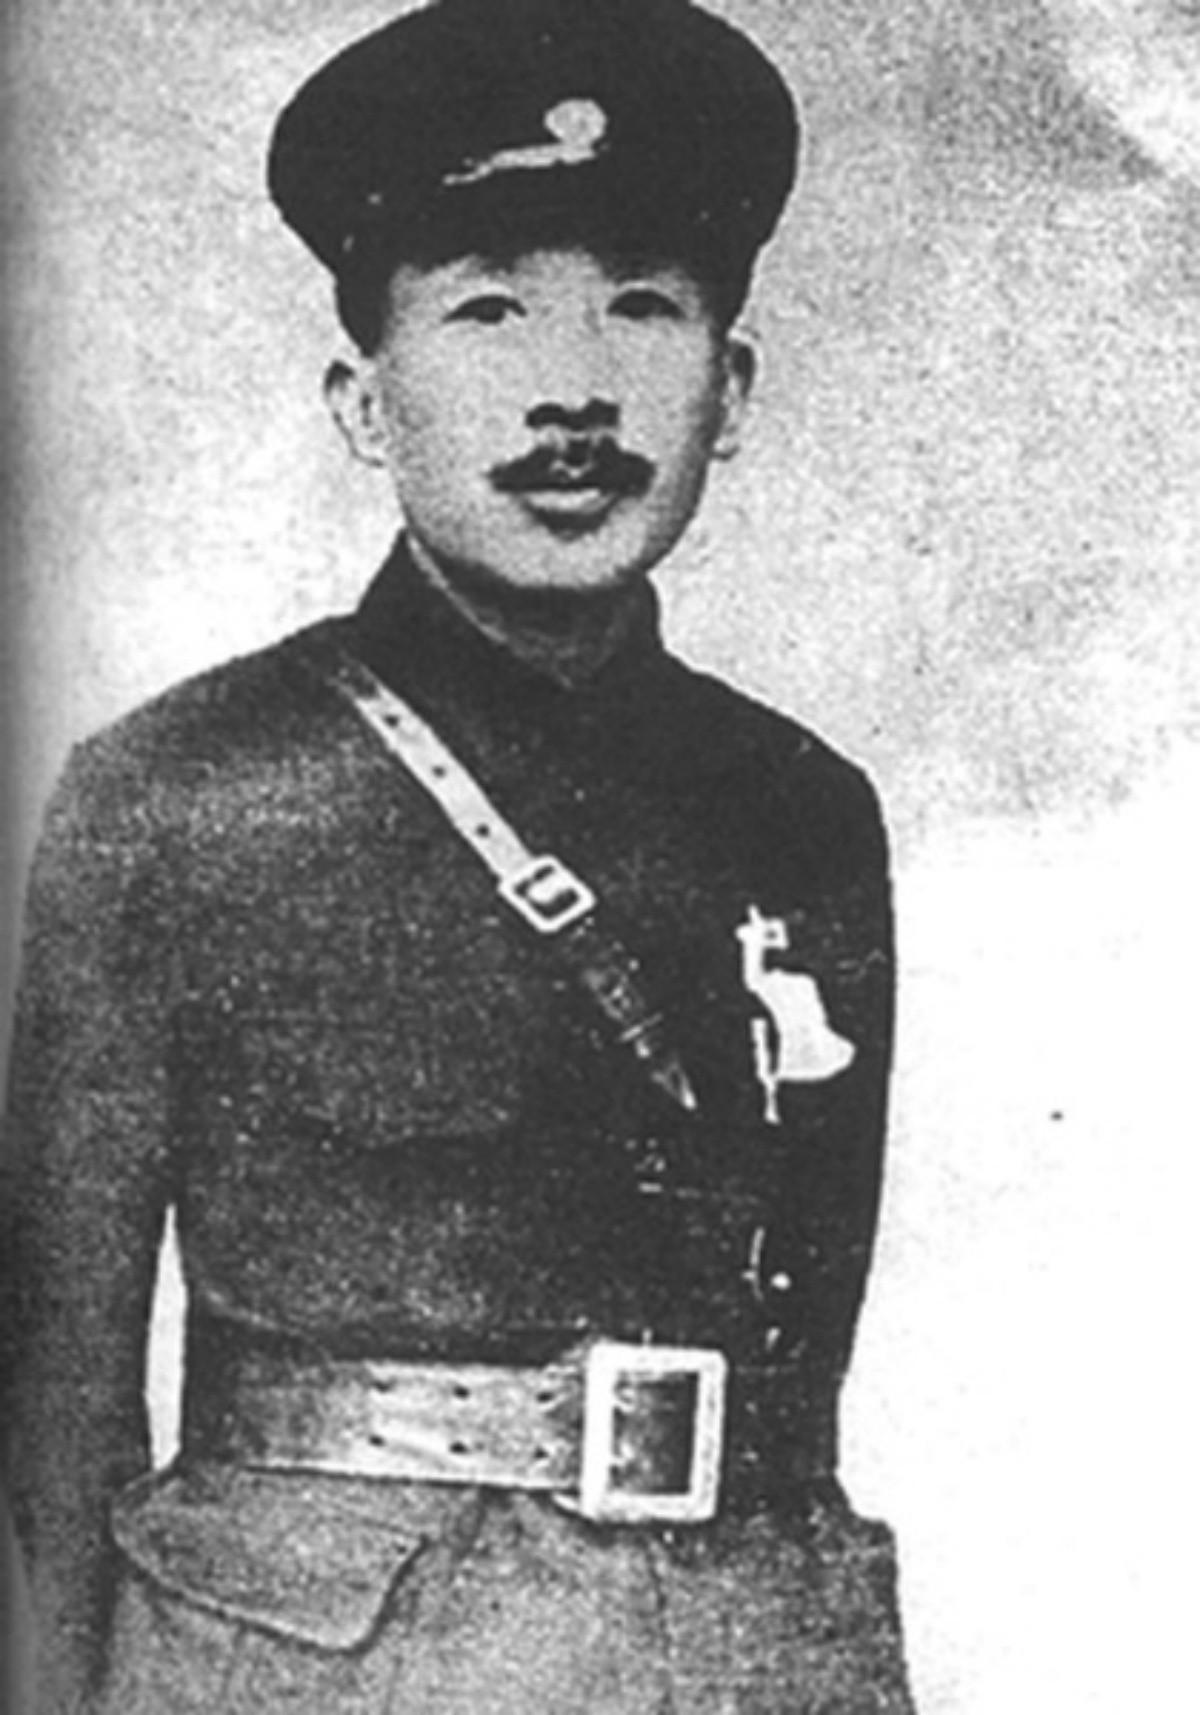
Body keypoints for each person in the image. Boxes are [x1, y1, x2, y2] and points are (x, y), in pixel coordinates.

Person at [2, 1, 915, 1709]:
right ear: (363, 401)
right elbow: (53, 1406)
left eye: (643, 306)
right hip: (321, 1672)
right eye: (488, 310)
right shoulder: (177, 795)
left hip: (749, 1658)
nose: (574, 388)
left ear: (730, 390)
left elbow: (801, 1371)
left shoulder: (802, 810)